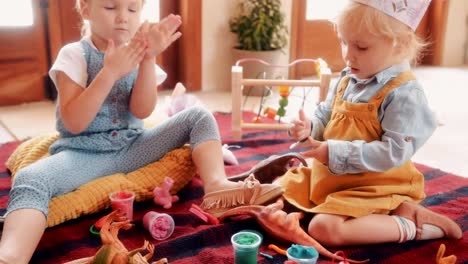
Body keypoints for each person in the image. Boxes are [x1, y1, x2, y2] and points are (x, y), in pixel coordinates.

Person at [0, 0, 283, 263]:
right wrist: (109, 72)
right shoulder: (74, 55)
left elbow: (142, 110)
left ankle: (217, 187)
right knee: (31, 178)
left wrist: (148, 59)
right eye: (111, 7)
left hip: (134, 146)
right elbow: (74, 122)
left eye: (133, 10)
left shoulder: (140, 55)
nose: (123, 17)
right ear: (85, 9)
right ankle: (11, 255)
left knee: (198, 115)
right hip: (83, 153)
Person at [283, 0, 462, 247]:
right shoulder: (347, 78)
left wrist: (334, 152)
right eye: (344, 42)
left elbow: (393, 153)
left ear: (399, 44)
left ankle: (411, 225)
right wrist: (310, 128)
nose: (347, 54)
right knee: (279, 188)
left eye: (362, 47)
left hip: (376, 186)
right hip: (336, 180)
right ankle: (391, 213)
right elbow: (326, 114)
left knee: (324, 228)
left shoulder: (404, 94)